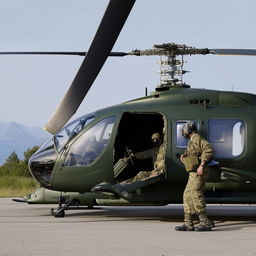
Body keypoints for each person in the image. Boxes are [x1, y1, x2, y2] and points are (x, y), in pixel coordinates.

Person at [175, 122, 214, 232]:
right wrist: (184, 159)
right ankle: (188, 223)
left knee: (196, 195)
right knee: (187, 195)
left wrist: (201, 165)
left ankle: (205, 222)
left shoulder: (197, 138)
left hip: (198, 173)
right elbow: (193, 155)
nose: (183, 132)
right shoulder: (191, 141)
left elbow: (208, 149)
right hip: (192, 174)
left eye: (184, 129)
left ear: (190, 130)